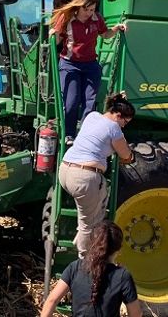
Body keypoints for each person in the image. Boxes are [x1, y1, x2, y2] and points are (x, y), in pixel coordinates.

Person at [59, 93, 135, 258]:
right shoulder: (114, 128)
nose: (124, 126)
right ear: (118, 116)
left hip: (65, 171)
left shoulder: (92, 116)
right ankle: (85, 260)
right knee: (90, 223)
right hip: (84, 177)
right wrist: (132, 156)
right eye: (125, 122)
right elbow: (125, 155)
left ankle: (78, 244)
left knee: (85, 217)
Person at [49, 0, 127, 145]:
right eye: (87, 9)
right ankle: (69, 134)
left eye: (92, 9)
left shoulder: (96, 19)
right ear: (79, 6)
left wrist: (116, 29)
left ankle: (84, 136)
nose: (90, 13)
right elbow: (56, 41)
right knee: (71, 103)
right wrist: (53, 34)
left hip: (90, 64)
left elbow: (105, 35)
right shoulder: (66, 17)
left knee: (89, 102)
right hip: (70, 64)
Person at [41, 220, 142, 317]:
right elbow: (136, 314)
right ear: (119, 249)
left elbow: (51, 301)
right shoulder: (123, 276)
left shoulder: (75, 267)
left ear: (92, 244)